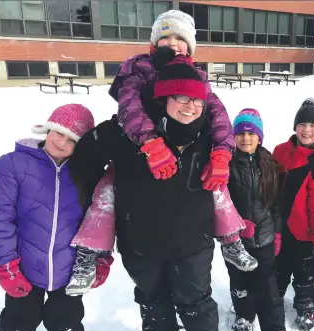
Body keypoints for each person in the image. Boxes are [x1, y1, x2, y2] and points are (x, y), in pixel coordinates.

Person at [70, 54, 226, 331]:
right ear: (163, 97)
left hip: (193, 242)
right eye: (181, 98)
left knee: (196, 304)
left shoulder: (211, 139)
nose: (189, 107)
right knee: (152, 299)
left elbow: (244, 157)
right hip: (140, 241)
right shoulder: (126, 133)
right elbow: (83, 160)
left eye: (197, 99)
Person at [67, 9, 256, 295]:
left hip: (186, 144)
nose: (172, 42)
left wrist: (223, 150)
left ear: (190, 46)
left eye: (180, 38)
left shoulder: (197, 75)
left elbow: (217, 113)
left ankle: (231, 241)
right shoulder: (138, 68)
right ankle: (88, 253)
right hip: (138, 144)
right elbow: (128, 106)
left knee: (216, 189)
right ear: (154, 44)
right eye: (165, 37)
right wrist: (150, 141)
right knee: (106, 193)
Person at [0, 104, 98, 331]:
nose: (62, 142)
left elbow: (99, 220)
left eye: (72, 140)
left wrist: (98, 260)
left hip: (68, 267)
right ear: (47, 129)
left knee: (67, 319)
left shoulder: (85, 173)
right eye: (59, 133)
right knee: (18, 320)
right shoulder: (12, 165)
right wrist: (5, 264)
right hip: (24, 265)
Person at [226, 108, 297, 331]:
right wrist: (235, 227)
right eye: (241, 133)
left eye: (251, 133)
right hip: (235, 240)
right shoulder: (227, 163)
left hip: (265, 236)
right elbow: (221, 203)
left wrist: (276, 233)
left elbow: (276, 203)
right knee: (239, 280)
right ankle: (244, 314)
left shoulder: (268, 164)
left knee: (267, 284)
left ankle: (276, 330)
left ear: (259, 137)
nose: (246, 138)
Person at [273, 98, 314, 331]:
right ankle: (271, 301)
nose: (307, 129)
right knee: (277, 270)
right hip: (278, 225)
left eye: (313, 126)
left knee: (306, 273)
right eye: (302, 124)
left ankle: (307, 304)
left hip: (305, 231)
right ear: (295, 126)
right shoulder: (279, 151)